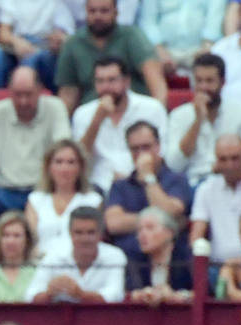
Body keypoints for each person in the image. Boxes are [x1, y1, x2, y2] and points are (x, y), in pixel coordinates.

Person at [0, 66, 73, 230]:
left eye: (29, 94)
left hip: (43, 191)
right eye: (18, 94)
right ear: (9, 92)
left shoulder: (55, 108)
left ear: (40, 90)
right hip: (5, 192)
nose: (23, 101)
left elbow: (63, 148)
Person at [72, 56, 169, 192]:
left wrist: (133, 178)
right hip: (97, 186)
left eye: (112, 80)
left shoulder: (152, 108)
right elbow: (78, 159)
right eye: (100, 81)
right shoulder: (83, 113)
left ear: (126, 81)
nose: (106, 87)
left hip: (141, 182)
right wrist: (97, 120)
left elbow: (162, 152)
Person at [164, 53, 241, 185]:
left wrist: (227, 169)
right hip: (194, 183)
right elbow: (174, 165)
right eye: (199, 81)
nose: (204, 87)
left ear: (222, 82)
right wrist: (197, 121)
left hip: (236, 182)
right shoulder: (179, 115)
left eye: (209, 81)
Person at [102, 121, 192, 264]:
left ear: (158, 146)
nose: (141, 154)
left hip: (172, 262)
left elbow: (169, 212)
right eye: (135, 149)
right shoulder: (120, 186)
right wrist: (157, 223)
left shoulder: (177, 179)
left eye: (146, 147)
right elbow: (114, 223)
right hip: (129, 260)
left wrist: (149, 178)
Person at [56, 0, 166, 111]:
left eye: (104, 11)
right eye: (92, 11)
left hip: (134, 114)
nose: (97, 16)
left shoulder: (132, 36)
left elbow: (154, 78)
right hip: (90, 114)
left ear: (116, 12)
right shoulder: (73, 43)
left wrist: (157, 115)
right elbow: (68, 92)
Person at [190, 134, 241, 269]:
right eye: (223, 159)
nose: (229, 165)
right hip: (217, 266)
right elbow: (197, 234)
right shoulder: (206, 189)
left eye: (235, 158)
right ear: (216, 160)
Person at [26, 205, 127, 302]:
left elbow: (115, 296)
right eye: (78, 232)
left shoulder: (115, 256)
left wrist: (81, 294)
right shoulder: (53, 255)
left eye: (90, 232)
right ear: (70, 233)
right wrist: (49, 293)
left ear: (101, 234)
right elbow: (30, 297)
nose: (84, 239)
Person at [25, 139, 104, 259]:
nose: (65, 168)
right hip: (42, 262)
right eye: (58, 162)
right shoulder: (35, 200)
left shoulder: (93, 200)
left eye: (71, 162)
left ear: (80, 167)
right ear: (49, 167)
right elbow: (30, 240)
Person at [0, 0, 71, 92]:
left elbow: (62, 34)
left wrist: (56, 39)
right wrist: (16, 42)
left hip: (43, 47)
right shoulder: (11, 2)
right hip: (15, 45)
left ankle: (24, 96)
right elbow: (3, 33)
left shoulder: (56, 4)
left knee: (31, 57)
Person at [137, 1, 224, 79]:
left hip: (200, 50)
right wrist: (160, 51)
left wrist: (206, 48)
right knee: (150, 66)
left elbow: (215, 19)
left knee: (208, 71)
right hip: (162, 51)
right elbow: (148, 22)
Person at [125, 206, 194, 303]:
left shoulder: (186, 256)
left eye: (150, 228)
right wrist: (139, 295)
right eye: (139, 230)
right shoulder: (135, 259)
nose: (142, 235)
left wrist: (176, 296)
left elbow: (205, 292)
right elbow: (126, 292)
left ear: (170, 232)